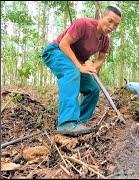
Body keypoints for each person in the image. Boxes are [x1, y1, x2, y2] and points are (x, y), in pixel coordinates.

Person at [41, 6, 121, 136]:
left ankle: (78, 122)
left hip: (76, 62)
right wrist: (80, 66)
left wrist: (93, 66)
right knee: (72, 72)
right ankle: (66, 124)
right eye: (110, 21)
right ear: (102, 16)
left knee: (93, 89)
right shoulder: (83, 24)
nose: (112, 27)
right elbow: (63, 44)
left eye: (116, 25)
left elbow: (101, 58)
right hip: (56, 51)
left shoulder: (105, 40)